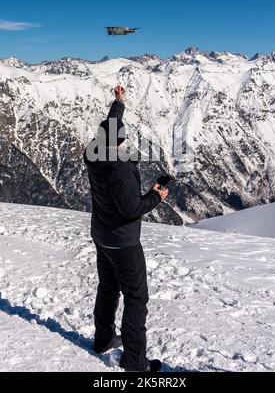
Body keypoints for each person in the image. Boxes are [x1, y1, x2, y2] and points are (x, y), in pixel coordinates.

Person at [83, 85, 168, 372]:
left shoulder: (93, 154)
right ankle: (134, 362)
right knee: (136, 296)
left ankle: (103, 339)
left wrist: (118, 103)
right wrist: (157, 196)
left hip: (101, 235)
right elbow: (131, 208)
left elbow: (110, 128)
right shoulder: (119, 169)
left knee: (108, 286)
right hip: (123, 242)